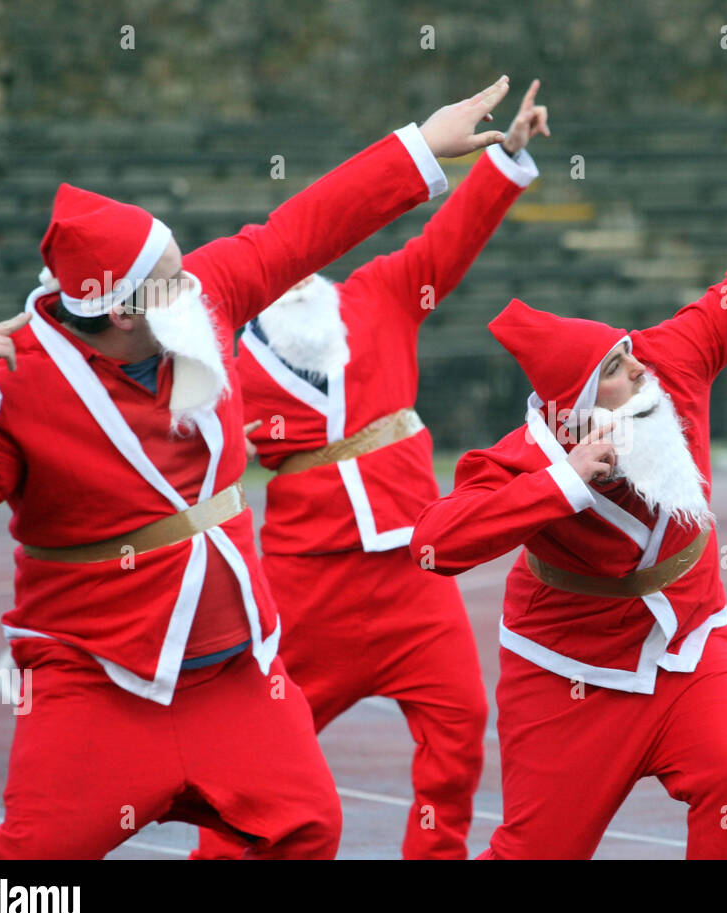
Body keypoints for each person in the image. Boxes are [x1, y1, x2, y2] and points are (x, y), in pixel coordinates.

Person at [0, 76, 517, 859]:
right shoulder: (16, 380)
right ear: (123, 310)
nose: (193, 279)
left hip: (234, 675)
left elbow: (300, 230)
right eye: (171, 274)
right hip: (95, 681)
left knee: (307, 827)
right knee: (27, 879)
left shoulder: (199, 296)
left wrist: (420, 146)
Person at [410, 81, 727, 859]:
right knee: (537, 847)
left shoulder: (670, 358)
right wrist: (565, 480)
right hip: (565, 672)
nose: (638, 371)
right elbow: (434, 545)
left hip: (691, 638)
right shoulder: (529, 455)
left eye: (628, 352)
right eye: (615, 369)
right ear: (574, 406)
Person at [193, 80, 549, 861]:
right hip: (308, 580)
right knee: (264, 748)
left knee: (459, 723)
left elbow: (444, 244)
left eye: (303, 263)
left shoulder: (378, 296)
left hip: (414, 570)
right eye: (277, 271)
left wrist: (508, 159)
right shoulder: (222, 359)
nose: (295, 276)